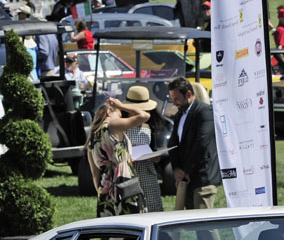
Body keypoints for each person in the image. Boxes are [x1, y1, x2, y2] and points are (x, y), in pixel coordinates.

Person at [85, 97, 151, 217]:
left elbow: (95, 173)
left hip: (105, 187)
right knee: (133, 222)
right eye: (119, 115)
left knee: (111, 228)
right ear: (109, 112)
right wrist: (121, 105)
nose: (121, 118)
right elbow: (144, 116)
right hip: (124, 181)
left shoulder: (92, 137)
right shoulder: (111, 125)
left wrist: (102, 192)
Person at [167, 77, 220, 211]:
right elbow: (173, 142)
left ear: (189, 94)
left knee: (206, 227)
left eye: (176, 98)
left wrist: (185, 171)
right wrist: (176, 168)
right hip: (186, 180)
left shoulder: (205, 112)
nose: (174, 103)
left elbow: (201, 144)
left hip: (202, 179)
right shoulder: (179, 115)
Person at [124, 85, 164, 213]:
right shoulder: (120, 124)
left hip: (147, 174)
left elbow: (153, 149)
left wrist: (155, 157)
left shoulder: (150, 126)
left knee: (152, 207)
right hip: (128, 173)